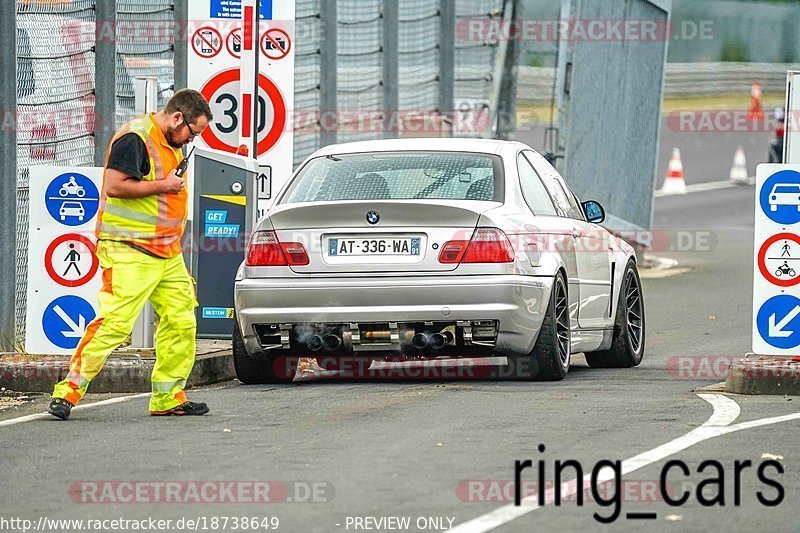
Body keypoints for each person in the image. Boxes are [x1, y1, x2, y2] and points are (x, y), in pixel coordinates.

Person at [48, 89, 213, 420]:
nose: (190, 140)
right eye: (192, 132)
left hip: (166, 251)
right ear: (178, 117)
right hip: (129, 247)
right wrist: (164, 186)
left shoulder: (169, 144)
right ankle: (68, 391)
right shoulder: (136, 138)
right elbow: (114, 185)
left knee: (181, 319)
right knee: (116, 322)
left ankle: (168, 396)